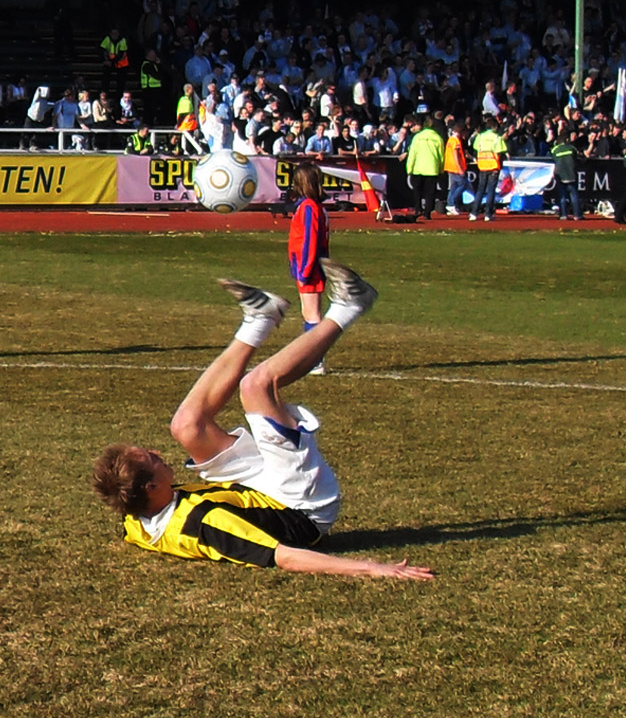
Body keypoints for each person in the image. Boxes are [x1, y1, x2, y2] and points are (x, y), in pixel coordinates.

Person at [92, 259, 434, 581]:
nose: (156, 452)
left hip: (247, 491)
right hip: (298, 505)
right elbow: (286, 556)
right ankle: (352, 305)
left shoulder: (134, 520)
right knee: (257, 386)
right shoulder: (209, 523)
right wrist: (373, 568)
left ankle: (260, 319)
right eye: (151, 458)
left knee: (186, 426)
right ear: (152, 487)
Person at [287, 162, 331, 375]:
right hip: (307, 266)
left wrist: (304, 269)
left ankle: (316, 360)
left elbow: (310, 241)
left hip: (310, 267)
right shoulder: (310, 206)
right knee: (308, 312)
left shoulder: (309, 208)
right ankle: (313, 359)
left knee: (312, 314)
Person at [406, 115, 445, 219]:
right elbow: (441, 155)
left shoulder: (417, 137)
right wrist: (441, 168)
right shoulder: (438, 138)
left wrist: (409, 168)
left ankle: (418, 209)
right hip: (432, 168)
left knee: (417, 191)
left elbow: (412, 154)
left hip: (418, 168)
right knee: (430, 193)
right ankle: (427, 212)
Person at [470, 115, 507, 222]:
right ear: (495, 127)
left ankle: (474, 213)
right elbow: (500, 152)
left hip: (482, 166)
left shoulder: (480, 136)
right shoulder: (497, 138)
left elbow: (476, 148)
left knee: (480, 190)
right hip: (493, 166)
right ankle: (488, 214)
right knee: (491, 190)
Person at [550, 132, 583, 220]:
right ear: (567, 140)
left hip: (560, 174)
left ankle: (563, 215)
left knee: (562, 196)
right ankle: (577, 215)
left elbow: (553, 159)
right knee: (574, 195)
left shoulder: (555, 150)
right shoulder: (572, 148)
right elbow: (579, 158)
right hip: (571, 173)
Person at [444, 121, 471, 215]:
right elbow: (456, 156)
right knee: (462, 184)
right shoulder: (455, 141)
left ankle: (450, 204)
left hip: (450, 166)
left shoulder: (450, 140)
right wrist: (460, 168)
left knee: (454, 186)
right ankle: (451, 203)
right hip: (455, 167)